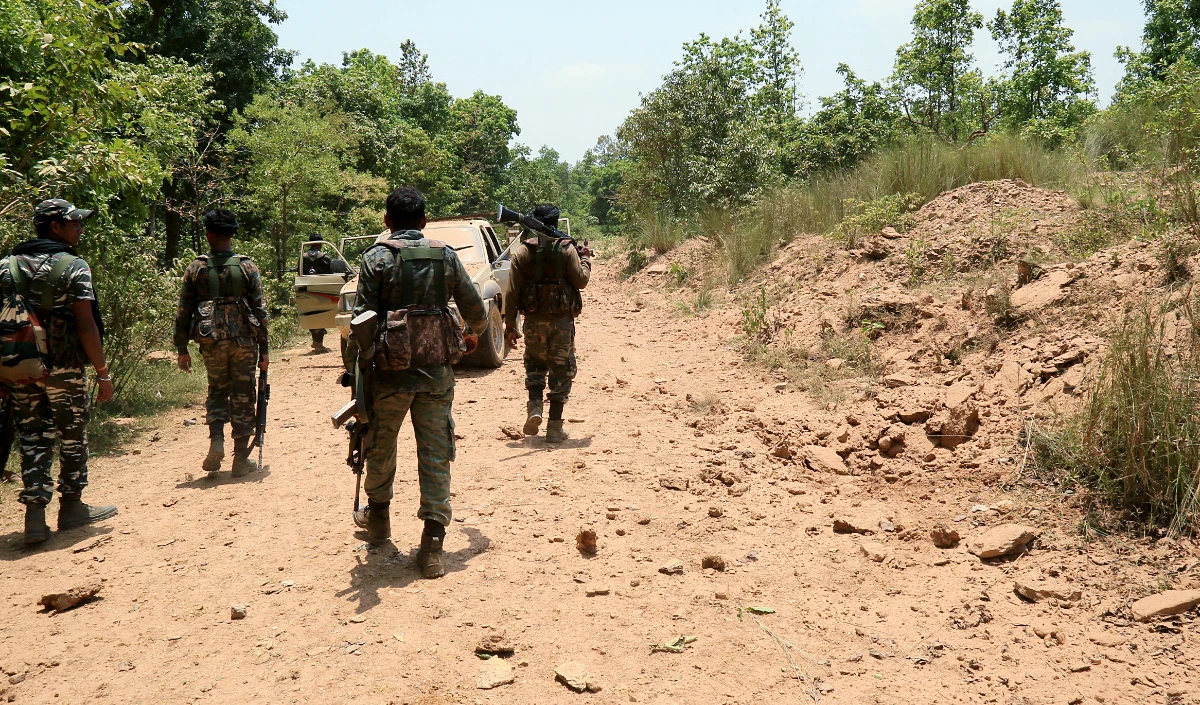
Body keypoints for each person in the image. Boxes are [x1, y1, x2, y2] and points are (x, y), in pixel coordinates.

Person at [349, 186, 486, 579]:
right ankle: (433, 548)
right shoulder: (445, 255)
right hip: (437, 374)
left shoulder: (376, 258)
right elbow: (473, 305)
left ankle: (378, 526)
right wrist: (473, 332)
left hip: (389, 376)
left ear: (387, 222)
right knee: (435, 452)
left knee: (378, 447)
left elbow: (361, 321)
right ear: (424, 222)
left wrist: (354, 372)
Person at [0, 199, 116, 545]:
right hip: (63, 366)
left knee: (33, 436)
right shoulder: (74, 266)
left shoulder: (5, 266)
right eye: (74, 223)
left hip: (21, 367)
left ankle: (34, 516)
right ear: (55, 227)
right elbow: (86, 325)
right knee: (72, 434)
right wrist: (102, 371)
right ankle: (72, 506)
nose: (79, 228)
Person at [174, 210, 270, 478]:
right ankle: (240, 458)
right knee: (244, 393)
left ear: (209, 234)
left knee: (217, 390)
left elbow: (183, 311)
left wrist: (182, 349)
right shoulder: (248, 267)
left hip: (211, 342)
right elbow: (260, 311)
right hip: (244, 342)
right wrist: (265, 350)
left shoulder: (196, 268)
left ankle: (217, 440)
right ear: (232, 234)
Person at [503, 203, 591, 443]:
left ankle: (534, 408)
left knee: (534, 365)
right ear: (556, 221)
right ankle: (554, 427)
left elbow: (511, 293)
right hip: (561, 322)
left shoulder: (523, 252)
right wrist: (585, 260)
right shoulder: (566, 250)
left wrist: (510, 326)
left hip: (533, 321)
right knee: (562, 370)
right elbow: (581, 281)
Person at [302, 235, 333, 352]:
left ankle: (316, 341)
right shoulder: (324, 257)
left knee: (311, 313)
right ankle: (318, 343)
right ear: (320, 243)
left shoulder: (303, 256)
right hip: (322, 289)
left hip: (306, 289)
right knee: (322, 313)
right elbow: (330, 273)